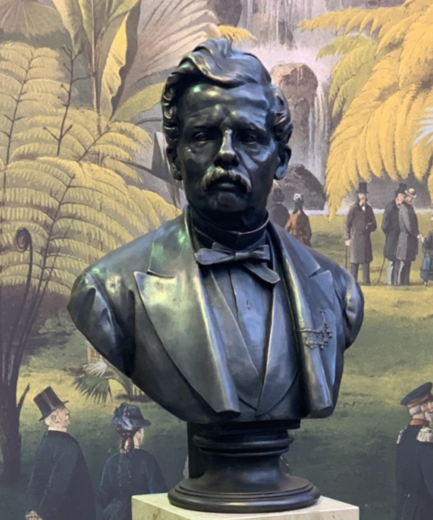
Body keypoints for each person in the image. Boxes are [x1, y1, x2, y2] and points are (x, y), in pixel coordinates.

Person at [68, 38, 363, 429]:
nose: (226, 153)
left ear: (281, 160)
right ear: (174, 159)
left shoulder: (338, 291)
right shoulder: (108, 292)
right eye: (204, 136)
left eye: (249, 137)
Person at [25, 387, 95, 520]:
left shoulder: (44, 443)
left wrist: (32, 511)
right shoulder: (68, 446)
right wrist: (41, 514)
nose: (68, 412)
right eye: (63, 409)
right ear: (55, 418)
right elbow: (57, 487)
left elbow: (34, 483)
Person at [98, 403, 167, 520]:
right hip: (141, 515)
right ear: (139, 433)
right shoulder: (147, 460)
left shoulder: (110, 462)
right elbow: (159, 495)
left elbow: (103, 498)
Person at [395, 383, 433, 520]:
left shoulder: (404, 436)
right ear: (422, 408)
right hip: (427, 512)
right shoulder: (427, 440)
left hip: (407, 510)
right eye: (430, 403)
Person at [344, 182, 377, 285]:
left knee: (366, 262)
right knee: (355, 262)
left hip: (366, 238)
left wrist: (369, 226)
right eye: (361, 194)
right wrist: (347, 238)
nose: (362, 196)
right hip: (356, 238)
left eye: (364, 194)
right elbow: (347, 224)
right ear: (358, 195)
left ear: (366, 195)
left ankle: (366, 282)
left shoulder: (369, 209)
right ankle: (353, 283)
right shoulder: (353, 208)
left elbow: (374, 225)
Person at [382, 183, 407, 285]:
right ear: (397, 195)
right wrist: (390, 234)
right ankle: (390, 283)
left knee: (399, 261)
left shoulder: (405, 208)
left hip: (401, 239)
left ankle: (397, 282)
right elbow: (384, 226)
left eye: (404, 196)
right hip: (392, 238)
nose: (402, 197)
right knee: (391, 261)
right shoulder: (390, 207)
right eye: (401, 195)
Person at [397, 188, 422, 286]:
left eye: (412, 197)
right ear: (407, 197)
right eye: (411, 197)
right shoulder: (404, 208)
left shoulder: (409, 207)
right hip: (405, 239)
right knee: (404, 262)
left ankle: (405, 282)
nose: (412, 199)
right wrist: (417, 234)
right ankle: (401, 282)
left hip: (409, 239)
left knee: (408, 262)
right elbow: (409, 225)